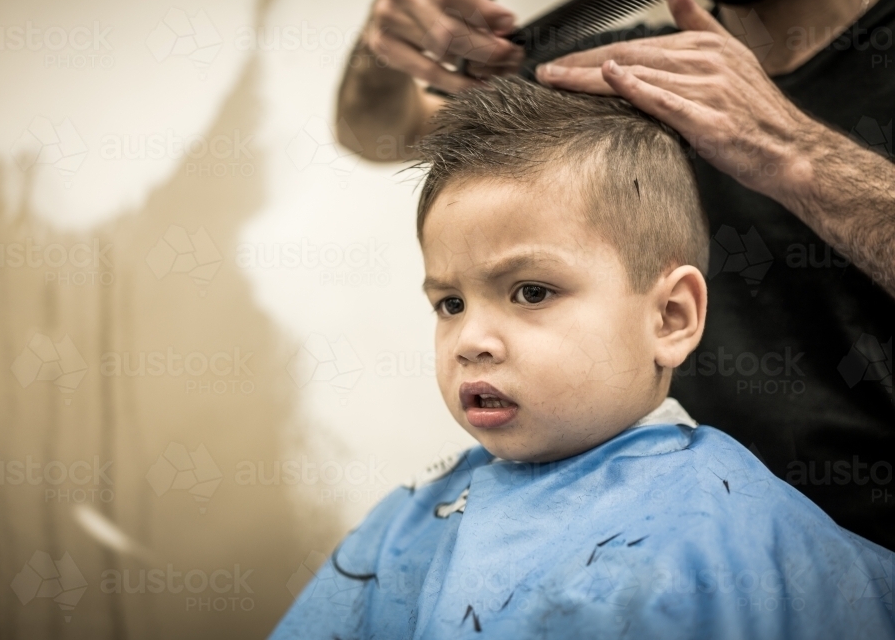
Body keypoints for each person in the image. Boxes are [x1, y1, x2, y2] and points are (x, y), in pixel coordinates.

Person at [272, 78, 894, 639]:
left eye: (532, 292)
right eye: (450, 303)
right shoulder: (414, 517)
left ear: (670, 317)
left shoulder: (720, 531)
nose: (469, 340)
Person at [336, 0, 895, 550]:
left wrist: (799, 152)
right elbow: (375, 131)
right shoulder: (621, 73)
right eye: (450, 303)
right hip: (633, 536)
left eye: (531, 292)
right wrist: (385, 45)